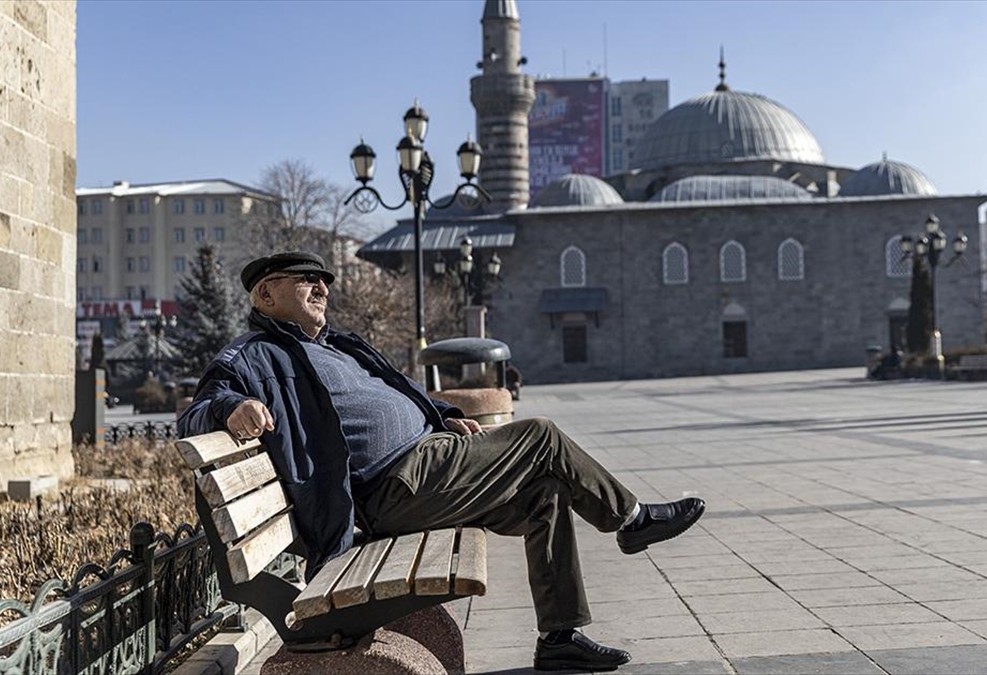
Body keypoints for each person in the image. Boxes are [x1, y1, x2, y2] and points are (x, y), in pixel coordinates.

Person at [176, 252, 705, 672]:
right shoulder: (255, 355)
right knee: (540, 437)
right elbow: (196, 412)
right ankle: (631, 520)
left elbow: (396, 392)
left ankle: (559, 638)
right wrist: (233, 407)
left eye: (324, 282)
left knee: (546, 493)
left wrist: (443, 415)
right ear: (265, 294)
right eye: (305, 280)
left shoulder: (339, 344)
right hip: (391, 487)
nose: (321, 289)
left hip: (426, 465)